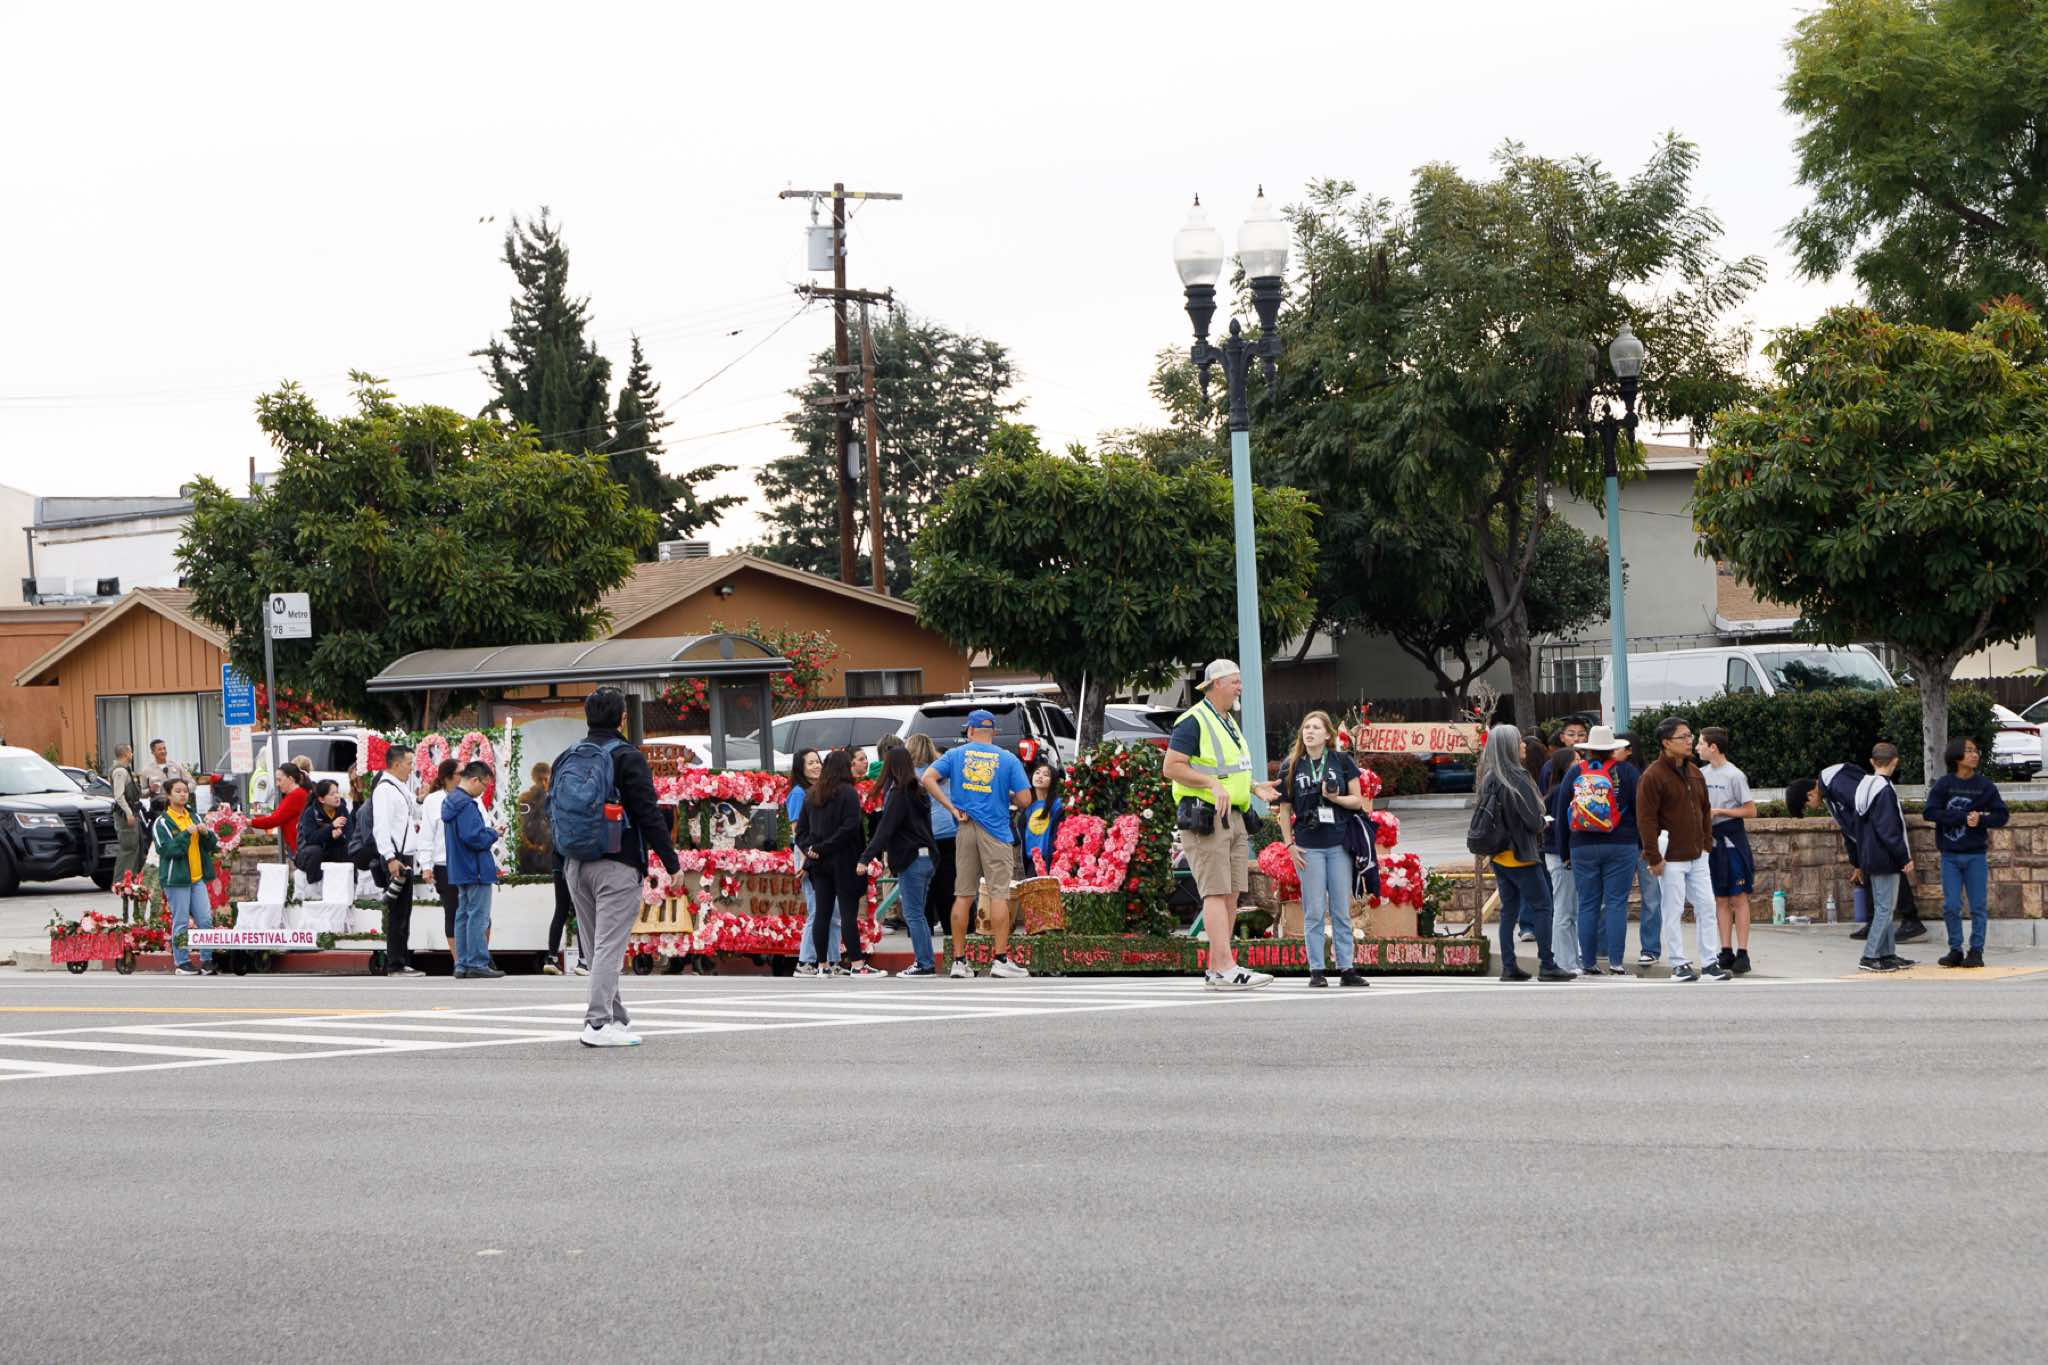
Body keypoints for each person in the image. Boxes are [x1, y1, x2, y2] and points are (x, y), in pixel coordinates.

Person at [551, 688, 683, 1046]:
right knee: (609, 947)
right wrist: (671, 861)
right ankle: (597, 1024)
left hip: (575, 864)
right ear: (622, 718)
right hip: (617, 864)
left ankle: (616, 1018)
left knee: (597, 947)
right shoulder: (627, 756)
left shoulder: (567, 756)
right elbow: (647, 813)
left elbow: (555, 813)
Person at [1161, 661, 1282, 992]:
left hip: (1234, 815)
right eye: (1235, 681)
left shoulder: (1226, 721)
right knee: (1215, 892)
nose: (1240, 686)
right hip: (1207, 817)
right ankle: (1226, 968)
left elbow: (1227, 770)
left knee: (1230, 893)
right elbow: (1171, 767)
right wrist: (1211, 784)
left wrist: (1253, 787)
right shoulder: (1193, 720)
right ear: (1216, 683)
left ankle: (1218, 970)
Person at [923, 708, 1034, 980]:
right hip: (996, 830)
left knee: (963, 895)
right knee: (998, 894)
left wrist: (951, 807)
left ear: (970, 731)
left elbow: (927, 779)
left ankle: (959, 962)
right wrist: (1006, 795)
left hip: (965, 827)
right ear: (993, 731)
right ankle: (1000, 959)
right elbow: (1026, 800)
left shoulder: (955, 755)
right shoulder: (1007, 759)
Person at [1274, 710, 1369, 988]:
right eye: (1306, 727)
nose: (1310, 732)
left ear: (1328, 734)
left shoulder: (1341, 761)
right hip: (1308, 847)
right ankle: (1316, 970)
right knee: (1314, 910)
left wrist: (1335, 798)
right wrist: (1289, 845)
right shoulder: (1291, 765)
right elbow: (1284, 811)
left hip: (1339, 844)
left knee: (1341, 909)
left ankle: (1346, 968)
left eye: (1316, 728)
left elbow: (1357, 801)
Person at [1475, 723, 1571, 982]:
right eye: (1518, 741)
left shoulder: (1489, 778)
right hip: (1522, 854)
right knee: (1543, 907)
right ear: (1509, 747)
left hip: (1499, 854)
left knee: (1509, 910)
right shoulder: (1518, 778)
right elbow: (1532, 820)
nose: (1524, 745)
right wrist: (1543, 822)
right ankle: (1547, 964)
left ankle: (1509, 965)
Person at [1637, 717, 1731, 982]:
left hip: (1698, 853)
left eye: (1690, 736)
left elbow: (1704, 810)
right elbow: (1646, 819)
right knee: (1672, 908)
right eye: (1683, 737)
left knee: (1707, 906)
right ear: (1666, 742)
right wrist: (1654, 856)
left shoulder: (1695, 773)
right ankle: (1678, 963)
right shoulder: (1652, 776)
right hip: (1670, 856)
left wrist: (1706, 843)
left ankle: (1710, 962)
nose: (1690, 741)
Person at [1555, 725, 1640, 976]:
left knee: (1588, 904)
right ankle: (1616, 962)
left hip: (1582, 845)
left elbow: (1562, 813)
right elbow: (1640, 809)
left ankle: (1589, 962)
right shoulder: (1627, 771)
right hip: (1622, 844)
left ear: (1589, 749)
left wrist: (1565, 852)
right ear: (1612, 749)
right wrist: (1642, 844)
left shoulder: (1575, 772)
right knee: (1616, 903)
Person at [800, 749, 886, 977]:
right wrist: (824, 847)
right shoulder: (848, 793)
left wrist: (811, 849)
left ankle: (822, 965)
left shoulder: (812, 794)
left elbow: (801, 832)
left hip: (819, 863)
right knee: (848, 914)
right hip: (844, 860)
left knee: (822, 913)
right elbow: (849, 828)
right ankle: (857, 964)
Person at [1924, 736, 2007, 969]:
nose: (1974, 754)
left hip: (1976, 855)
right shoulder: (1944, 785)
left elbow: (2002, 815)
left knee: (1978, 906)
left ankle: (1976, 951)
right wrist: (1962, 817)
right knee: (1951, 905)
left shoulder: (1985, 786)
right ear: (1956, 755)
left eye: (1976, 751)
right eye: (1969, 750)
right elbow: (1929, 812)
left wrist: (1981, 820)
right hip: (1950, 855)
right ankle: (1955, 950)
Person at [862, 746, 939, 977]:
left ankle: (924, 963)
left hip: (911, 859)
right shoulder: (919, 790)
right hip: (927, 857)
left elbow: (885, 829)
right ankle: (925, 961)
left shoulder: (898, 793)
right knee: (919, 914)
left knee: (913, 914)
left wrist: (865, 857)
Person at [1694, 727, 1758, 976]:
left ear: (1713, 747)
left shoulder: (1735, 775)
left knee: (1738, 897)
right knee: (1720, 898)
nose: (1697, 747)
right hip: (1711, 843)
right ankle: (1725, 950)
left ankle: (1743, 952)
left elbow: (1750, 810)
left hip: (1731, 842)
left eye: (1701, 743)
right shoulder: (1700, 774)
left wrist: (1721, 812)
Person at [1852, 742, 1917, 973]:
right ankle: (1870, 955)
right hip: (1886, 858)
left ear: (1872, 761)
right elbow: (1889, 830)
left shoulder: (1864, 787)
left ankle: (1887, 954)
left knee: (1885, 907)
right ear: (1895, 761)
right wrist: (1904, 857)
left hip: (1870, 855)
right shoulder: (1884, 790)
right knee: (1885, 909)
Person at [151, 777, 219, 977]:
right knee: (181, 921)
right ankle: (182, 962)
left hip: (197, 878)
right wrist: (185, 835)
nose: (183, 794)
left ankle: (207, 960)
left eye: (185, 791)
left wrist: (206, 834)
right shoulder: (162, 822)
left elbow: (211, 846)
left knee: (205, 919)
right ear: (169, 795)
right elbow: (166, 850)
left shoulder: (194, 817)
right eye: (178, 791)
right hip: (176, 879)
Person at [1538, 717, 1590, 970]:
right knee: (1565, 909)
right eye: (1576, 762)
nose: (1581, 765)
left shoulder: (1561, 790)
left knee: (1570, 909)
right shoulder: (1561, 791)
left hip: (1562, 854)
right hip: (1560, 855)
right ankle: (1564, 960)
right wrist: (1565, 853)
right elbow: (1558, 826)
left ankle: (1571, 958)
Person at [443, 760, 503, 980]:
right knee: (478, 916)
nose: (484, 790)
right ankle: (477, 962)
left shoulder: (450, 801)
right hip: (475, 867)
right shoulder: (467, 804)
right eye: (484, 785)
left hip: (460, 868)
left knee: (462, 915)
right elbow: (474, 837)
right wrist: (493, 833)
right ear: (475, 780)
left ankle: (462, 963)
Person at [787, 749, 841, 976]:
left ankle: (833, 960)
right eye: (810, 763)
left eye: (818, 762)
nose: (817, 766)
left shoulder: (820, 790)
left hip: (821, 854)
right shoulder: (798, 793)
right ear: (800, 768)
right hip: (807, 856)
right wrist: (805, 862)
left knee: (833, 911)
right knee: (817, 910)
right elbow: (797, 832)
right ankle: (805, 961)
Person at [371, 745, 423, 977]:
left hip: (405, 854)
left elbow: (414, 809)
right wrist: (390, 857)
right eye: (409, 763)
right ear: (396, 764)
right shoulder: (384, 789)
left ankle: (401, 960)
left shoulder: (399, 786)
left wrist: (421, 798)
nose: (412, 768)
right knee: (397, 912)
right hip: (395, 856)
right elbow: (381, 827)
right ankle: (395, 963)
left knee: (404, 911)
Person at [906, 734, 957, 956]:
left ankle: (922, 932)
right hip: (949, 832)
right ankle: (951, 929)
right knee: (949, 885)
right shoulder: (942, 772)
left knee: (921, 888)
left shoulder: (909, 775)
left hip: (923, 836)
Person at [417, 759, 460, 961]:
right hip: (444, 864)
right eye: (460, 773)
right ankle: (459, 960)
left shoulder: (472, 797)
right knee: (452, 912)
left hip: (468, 864)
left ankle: (478, 957)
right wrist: (426, 866)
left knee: (475, 912)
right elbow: (426, 836)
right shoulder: (433, 801)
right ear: (448, 777)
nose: (465, 776)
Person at [294, 779, 351, 897]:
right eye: (332, 794)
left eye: (337, 792)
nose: (337, 796)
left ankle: (348, 888)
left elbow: (349, 833)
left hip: (331, 852)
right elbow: (310, 838)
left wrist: (340, 836)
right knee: (315, 850)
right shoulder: (311, 813)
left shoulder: (342, 810)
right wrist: (331, 828)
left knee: (347, 849)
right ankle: (313, 893)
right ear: (321, 799)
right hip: (308, 855)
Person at [1015, 760, 1065, 877]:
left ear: (1053, 781)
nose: (1040, 776)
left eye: (1046, 775)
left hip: (1050, 862)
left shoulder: (1058, 805)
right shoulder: (1027, 805)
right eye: (1037, 773)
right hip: (1030, 862)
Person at [247, 765, 307, 860]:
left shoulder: (296, 795)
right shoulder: (296, 794)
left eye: (280, 780)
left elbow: (274, 820)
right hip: (297, 844)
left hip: (298, 845)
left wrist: (250, 822)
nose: (277, 784)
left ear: (290, 779)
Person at [106, 743, 144, 882]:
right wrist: (128, 813)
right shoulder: (120, 771)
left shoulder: (125, 770)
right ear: (126, 753)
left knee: (134, 848)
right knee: (128, 848)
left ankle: (130, 880)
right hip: (125, 816)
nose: (132, 754)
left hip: (132, 812)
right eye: (131, 752)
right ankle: (120, 883)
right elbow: (119, 796)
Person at [137, 737, 191, 831]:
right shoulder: (146, 770)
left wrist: (184, 791)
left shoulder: (176, 766)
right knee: (163, 831)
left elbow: (191, 782)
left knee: (180, 831)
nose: (163, 751)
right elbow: (141, 793)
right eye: (159, 749)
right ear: (153, 752)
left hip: (177, 807)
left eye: (164, 748)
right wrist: (150, 790)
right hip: (159, 809)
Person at [517, 762, 554, 876]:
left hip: (543, 852)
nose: (543, 783)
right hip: (534, 853)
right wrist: (533, 846)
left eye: (546, 779)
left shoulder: (554, 798)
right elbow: (520, 827)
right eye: (540, 779)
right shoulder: (526, 798)